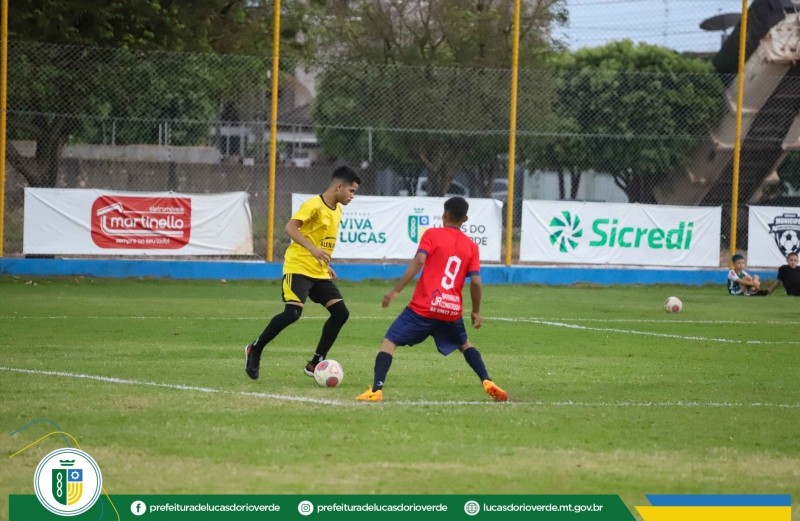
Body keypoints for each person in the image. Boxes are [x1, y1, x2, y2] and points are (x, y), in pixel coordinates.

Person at [356, 196, 508, 402]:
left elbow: (420, 260)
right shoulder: (471, 246)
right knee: (465, 345)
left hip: (423, 307)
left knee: (389, 342)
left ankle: (376, 390)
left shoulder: (432, 234)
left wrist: (396, 291)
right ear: (465, 219)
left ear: (444, 215)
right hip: (450, 310)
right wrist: (476, 310)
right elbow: (476, 282)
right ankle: (487, 380)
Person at [244, 166, 361, 380]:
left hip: (319, 272)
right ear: (339, 186)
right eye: (352, 191)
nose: (352, 196)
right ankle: (255, 348)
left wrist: (325, 265)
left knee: (341, 313)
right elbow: (290, 228)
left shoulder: (338, 209)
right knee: (292, 314)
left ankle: (315, 363)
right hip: (298, 268)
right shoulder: (314, 205)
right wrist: (313, 249)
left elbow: (322, 241)